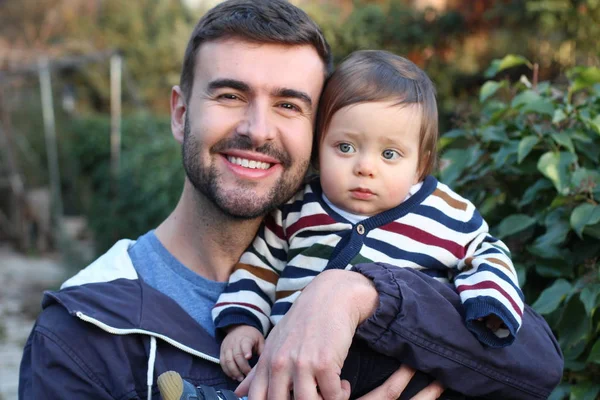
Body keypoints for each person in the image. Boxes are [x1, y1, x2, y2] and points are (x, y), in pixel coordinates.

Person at [18, 1, 563, 400]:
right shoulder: (85, 327)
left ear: (319, 130)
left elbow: (536, 367)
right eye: (230, 95)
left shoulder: (417, 239)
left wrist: (355, 293)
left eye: (289, 105)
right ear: (181, 113)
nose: (258, 130)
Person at [211, 50, 523, 397]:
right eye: (345, 147)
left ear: (420, 164)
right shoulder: (296, 207)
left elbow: (485, 251)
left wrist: (489, 302)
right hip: (294, 372)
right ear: (318, 148)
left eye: (389, 154)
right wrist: (242, 322)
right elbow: (260, 266)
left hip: (398, 373)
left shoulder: (447, 212)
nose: (365, 167)